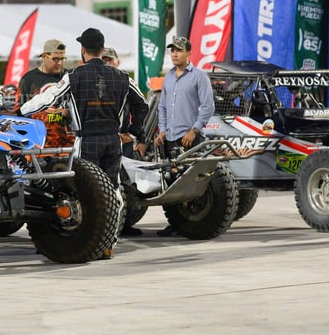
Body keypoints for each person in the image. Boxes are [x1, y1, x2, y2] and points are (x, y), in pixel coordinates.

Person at [21, 28, 148, 258]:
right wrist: (133, 131)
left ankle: (89, 242)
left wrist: (21, 110)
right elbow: (143, 104)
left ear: (83, 50)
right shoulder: (122, 77)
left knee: (86, 195)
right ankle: (109, 244)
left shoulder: (74, 76)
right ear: (102, 49)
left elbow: (48, 99)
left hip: (86, 140)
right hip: (113, 140)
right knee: (113, 192)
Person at [153, 36, 215, 236]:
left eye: (178, 50)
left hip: (190, 139)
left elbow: (208, 106)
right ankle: (176, 223)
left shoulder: (199, 76)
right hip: (170, 138)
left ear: (189, 53)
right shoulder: (169, 77)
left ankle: (193, 223)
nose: (174, 54)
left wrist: (194, 130)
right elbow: (162, 106)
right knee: (171, 182)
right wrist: (161, 129)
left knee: (191, 185)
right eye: (172, 50)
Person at [102, 46, 148, 237]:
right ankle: (106, 226)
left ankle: (124, 224)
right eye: (104, 60)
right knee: (104, 185)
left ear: (117, 62)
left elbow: (141, 107)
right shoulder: (97, 83)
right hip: (102, 141)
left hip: (124, 142)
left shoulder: (125, 82)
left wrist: (136, 134)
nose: (107, 63)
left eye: (110, 60)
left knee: (126, 187)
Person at [14, 39, 75, 149]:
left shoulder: (68, 77)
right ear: (44, 57)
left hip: (67, 141)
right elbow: (19, 111)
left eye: (62, 59)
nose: (60, 63)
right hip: (40, 142)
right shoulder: (29, 79)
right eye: (55, 59)